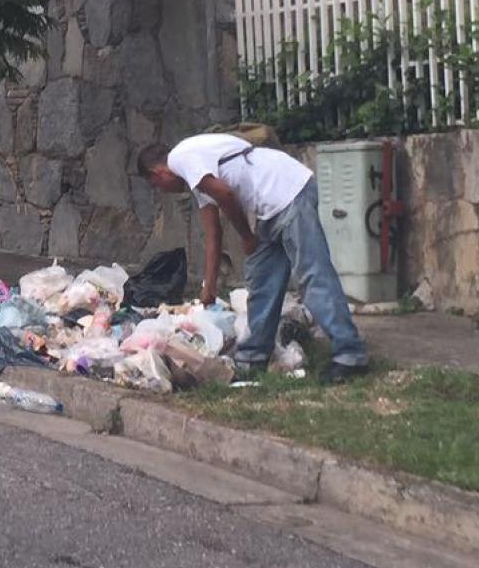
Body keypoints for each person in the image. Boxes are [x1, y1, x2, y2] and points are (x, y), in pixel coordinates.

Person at [138, 133, 369, 384]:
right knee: (262, 280)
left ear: (158, 174)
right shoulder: (197, 177)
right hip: (270, 208)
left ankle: (350, 355)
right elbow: (213, 233)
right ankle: (252, 358)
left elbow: (225, 194)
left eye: (156, 186)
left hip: (289, 191)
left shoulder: (181, 158)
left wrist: (246, 235)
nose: (163, 191)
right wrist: (209, 288)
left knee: (312, 274)